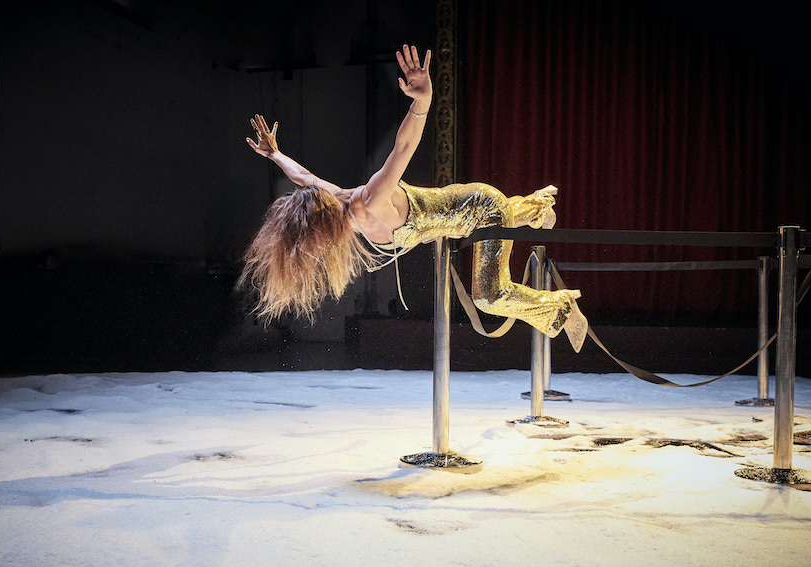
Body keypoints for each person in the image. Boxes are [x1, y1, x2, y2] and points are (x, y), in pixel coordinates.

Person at [240, 44, 587, 351]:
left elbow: (403, 147)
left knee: (488, 296)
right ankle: (537, 206)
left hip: (482, 208)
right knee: (462, 230)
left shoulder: (371, 200)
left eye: (316, 242)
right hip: (458, 219)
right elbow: (304, 177)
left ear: (324, 226)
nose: (321, 249)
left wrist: (422, 102)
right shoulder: (336, 201)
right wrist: (274, 154)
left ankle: (560, 307)